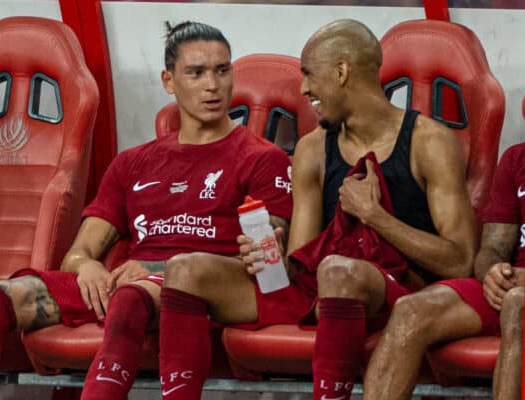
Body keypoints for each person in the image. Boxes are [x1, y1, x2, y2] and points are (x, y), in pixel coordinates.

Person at [158, 19, 477, 400]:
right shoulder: (312, 148)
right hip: (324, 287)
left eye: (309, 74)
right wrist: (269, 255)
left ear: (341, 72)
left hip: (395, 288)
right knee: (185, 268)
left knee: (338, 272)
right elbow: (297, 265)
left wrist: (376, 218)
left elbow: (460, 262)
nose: (304, 88)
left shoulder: (430, 142)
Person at [0, 21, 292, 400]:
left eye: (222, 70)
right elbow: (78, 253)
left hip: (194, 288)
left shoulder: (262, 159)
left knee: (131, 298)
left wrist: (266, 246)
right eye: (196, 73)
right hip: (128, 281)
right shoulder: (132, 163)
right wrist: (89, 267)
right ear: (168, 80)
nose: (213, 85)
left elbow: (270, 252)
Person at [363, 104, 525, 400]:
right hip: (521, 284)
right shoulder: (519, 158)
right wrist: (492, 272)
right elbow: (492, 247)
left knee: (520, 302)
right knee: (411, 310)